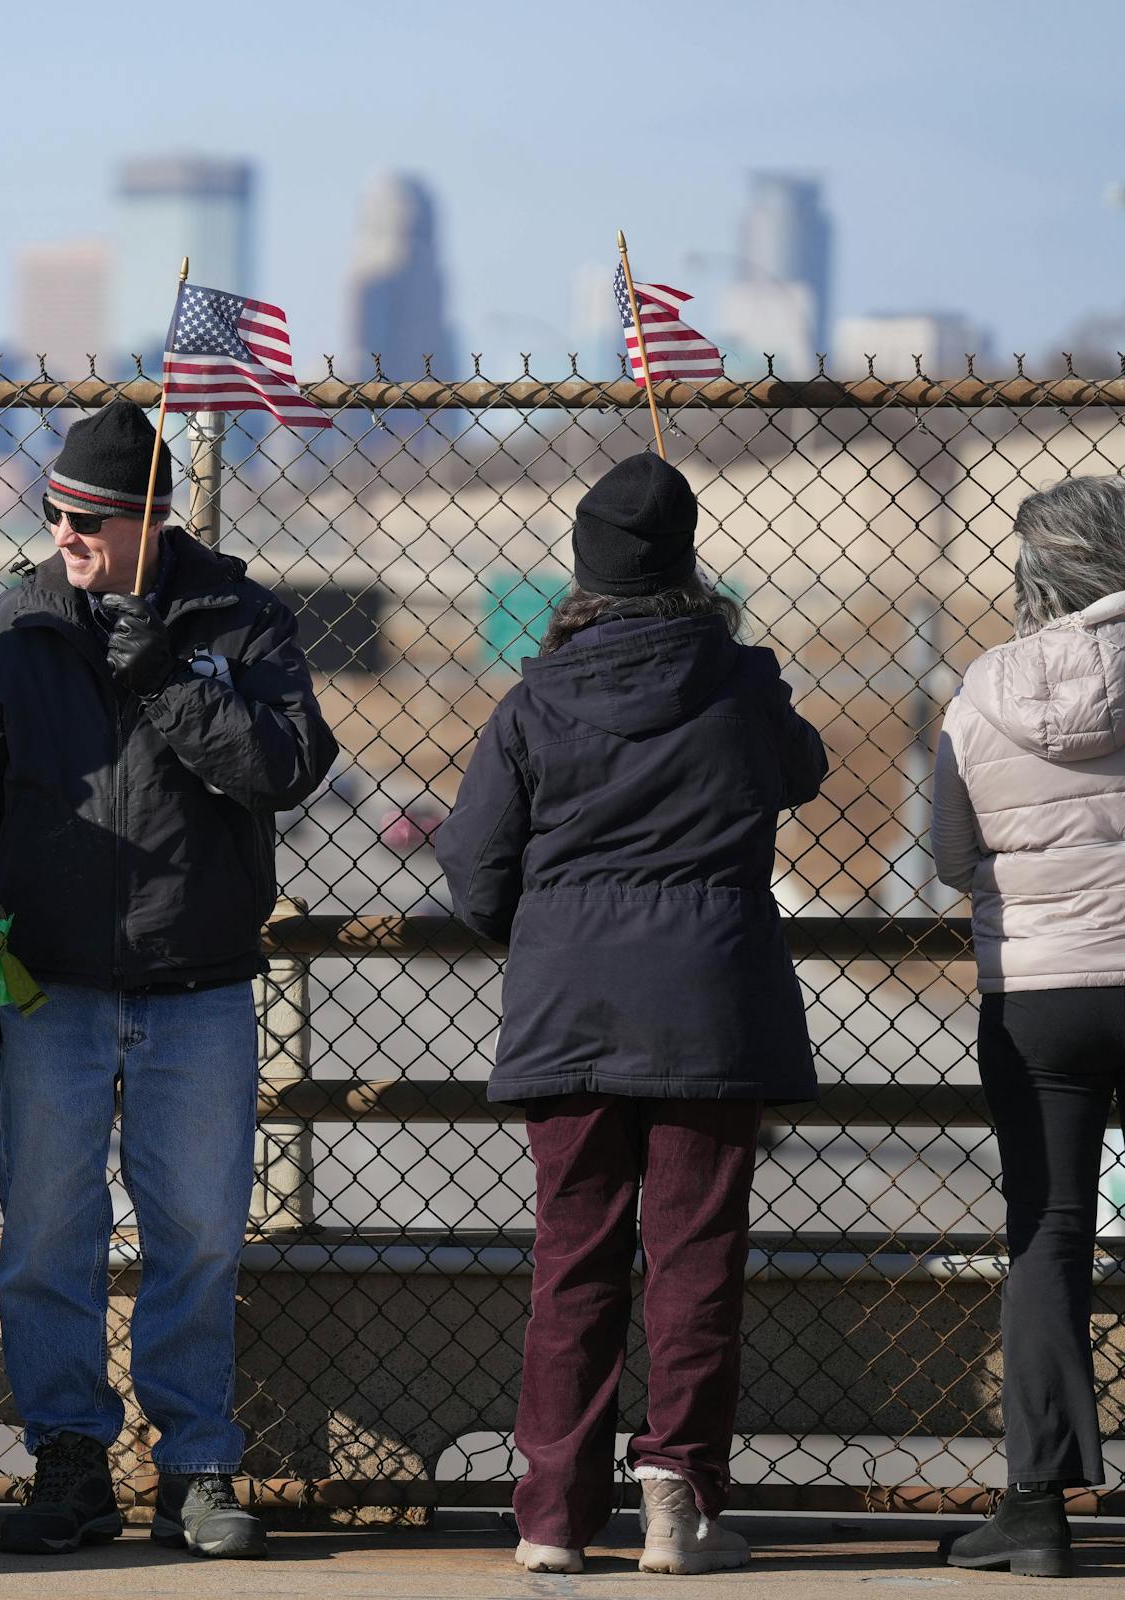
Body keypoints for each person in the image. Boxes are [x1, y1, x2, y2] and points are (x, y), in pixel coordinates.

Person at [0, 398, 335, 1560]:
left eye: (88, 518)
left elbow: (287, 765)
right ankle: (68, 1458)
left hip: (197, 985)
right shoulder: (13, 629)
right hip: (47, 988)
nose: (65, 535)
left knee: (197, 1233)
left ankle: (194, 1464)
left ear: (151, 517)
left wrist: (166, 676)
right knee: (47, 1232)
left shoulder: (238, 617)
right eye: (52, 513)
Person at [434, 452, 827, 1576]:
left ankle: (552, 1513)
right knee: (695, 1254)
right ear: (688, 564)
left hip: (568, 1007)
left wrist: (552, 929)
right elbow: (801, 769)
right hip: (711, 1004)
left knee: (575, 1256)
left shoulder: (534, 699)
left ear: (582, 572)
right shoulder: (741, 682)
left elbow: (473, 873)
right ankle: (679, 1499)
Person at [932, 474, 1125, 1580]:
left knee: (1048, 1232)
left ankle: (1037, 1507)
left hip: (1041, 990)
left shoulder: (983, 687)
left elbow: (954, 857)